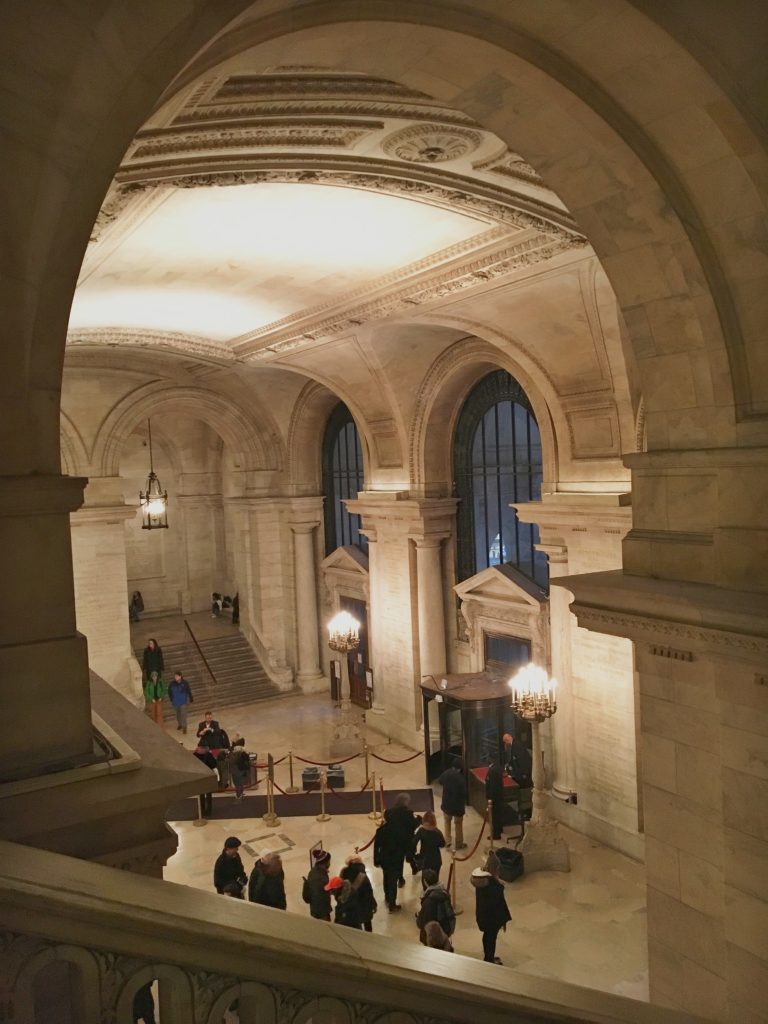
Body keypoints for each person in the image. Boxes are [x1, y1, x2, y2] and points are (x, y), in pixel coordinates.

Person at [471, 852, 511, 965]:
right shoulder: (493, 886)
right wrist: (499, 885)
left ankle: (488, 957)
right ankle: (489, 960)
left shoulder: (482, 881)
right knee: (491, 939)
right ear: (496, 868)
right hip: (492, 919)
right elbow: (496, 903)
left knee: (487, 936)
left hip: (483, 916)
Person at [383, 791, 422, 886]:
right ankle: (414, 868)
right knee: (410, 854)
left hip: (394, 840)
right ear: (405, 802)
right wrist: (419, 819)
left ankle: (401, 879)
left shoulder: (388, 812)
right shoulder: (408, 813)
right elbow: (413, 825)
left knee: (399, 860)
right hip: (407, 840)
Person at [415, 868, 456, 945]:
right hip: (445, 931)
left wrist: (418, 916)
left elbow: (421, 923)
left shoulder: (429, 900)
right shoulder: (444, 893)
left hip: (433, 936)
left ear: (425, 882)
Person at [373, 819, 404, 912]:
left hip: (384, 859)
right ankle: (392, 904)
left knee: (386, 878)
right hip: (394, 860)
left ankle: (387, 897)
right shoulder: (398, 830)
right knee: (393, 882)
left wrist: (376, 860)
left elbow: (376, 847)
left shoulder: (380, 830)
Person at [340, 854, 377, 932]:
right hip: (364, 904)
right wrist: (373, 904)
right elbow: (369, 892)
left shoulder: (344, 872)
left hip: (351, 906)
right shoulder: (363, 875)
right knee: (367, 924)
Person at [438, 758, 467, 850]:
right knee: (458, 824)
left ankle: (447, 842)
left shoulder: (446, 773)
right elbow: (464, 792)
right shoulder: (460, 778)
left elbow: (440, 781)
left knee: (447, 823)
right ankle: (459, 844)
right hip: (457, 806)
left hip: (446, 803)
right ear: (460, 768)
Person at [414, 811, 446, 882]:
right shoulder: (437, 832)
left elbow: (414, 842)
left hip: (425, 859)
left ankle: (427, 891)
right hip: (436, 859)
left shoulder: (421, 830)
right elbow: (442, 844)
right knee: (434, 879)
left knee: (425, 880)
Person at [305, 848, 332, 921]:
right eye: (329, 861)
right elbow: (319, 896)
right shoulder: (319, 878)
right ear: (325, 862)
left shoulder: (315, 871)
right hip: (321, 912)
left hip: (318, 909)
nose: (330, 863)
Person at [193, 747, 216, 817]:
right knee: (202, 795)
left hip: (203, 777)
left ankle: (205, 811)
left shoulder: (196, 755)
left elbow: (214, 764)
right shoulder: (198, 755)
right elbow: (214, 764)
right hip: (204, 777)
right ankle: (203, 811)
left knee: (205, 795)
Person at [485, 760, 506, 840]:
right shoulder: (497, 768)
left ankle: (496, 834)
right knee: (498, 814)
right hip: (499, 795)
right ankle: (499, 830)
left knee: (494, 816)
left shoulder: (492, 771)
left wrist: (490, 798)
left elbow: (491, 786)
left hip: (494, 797)